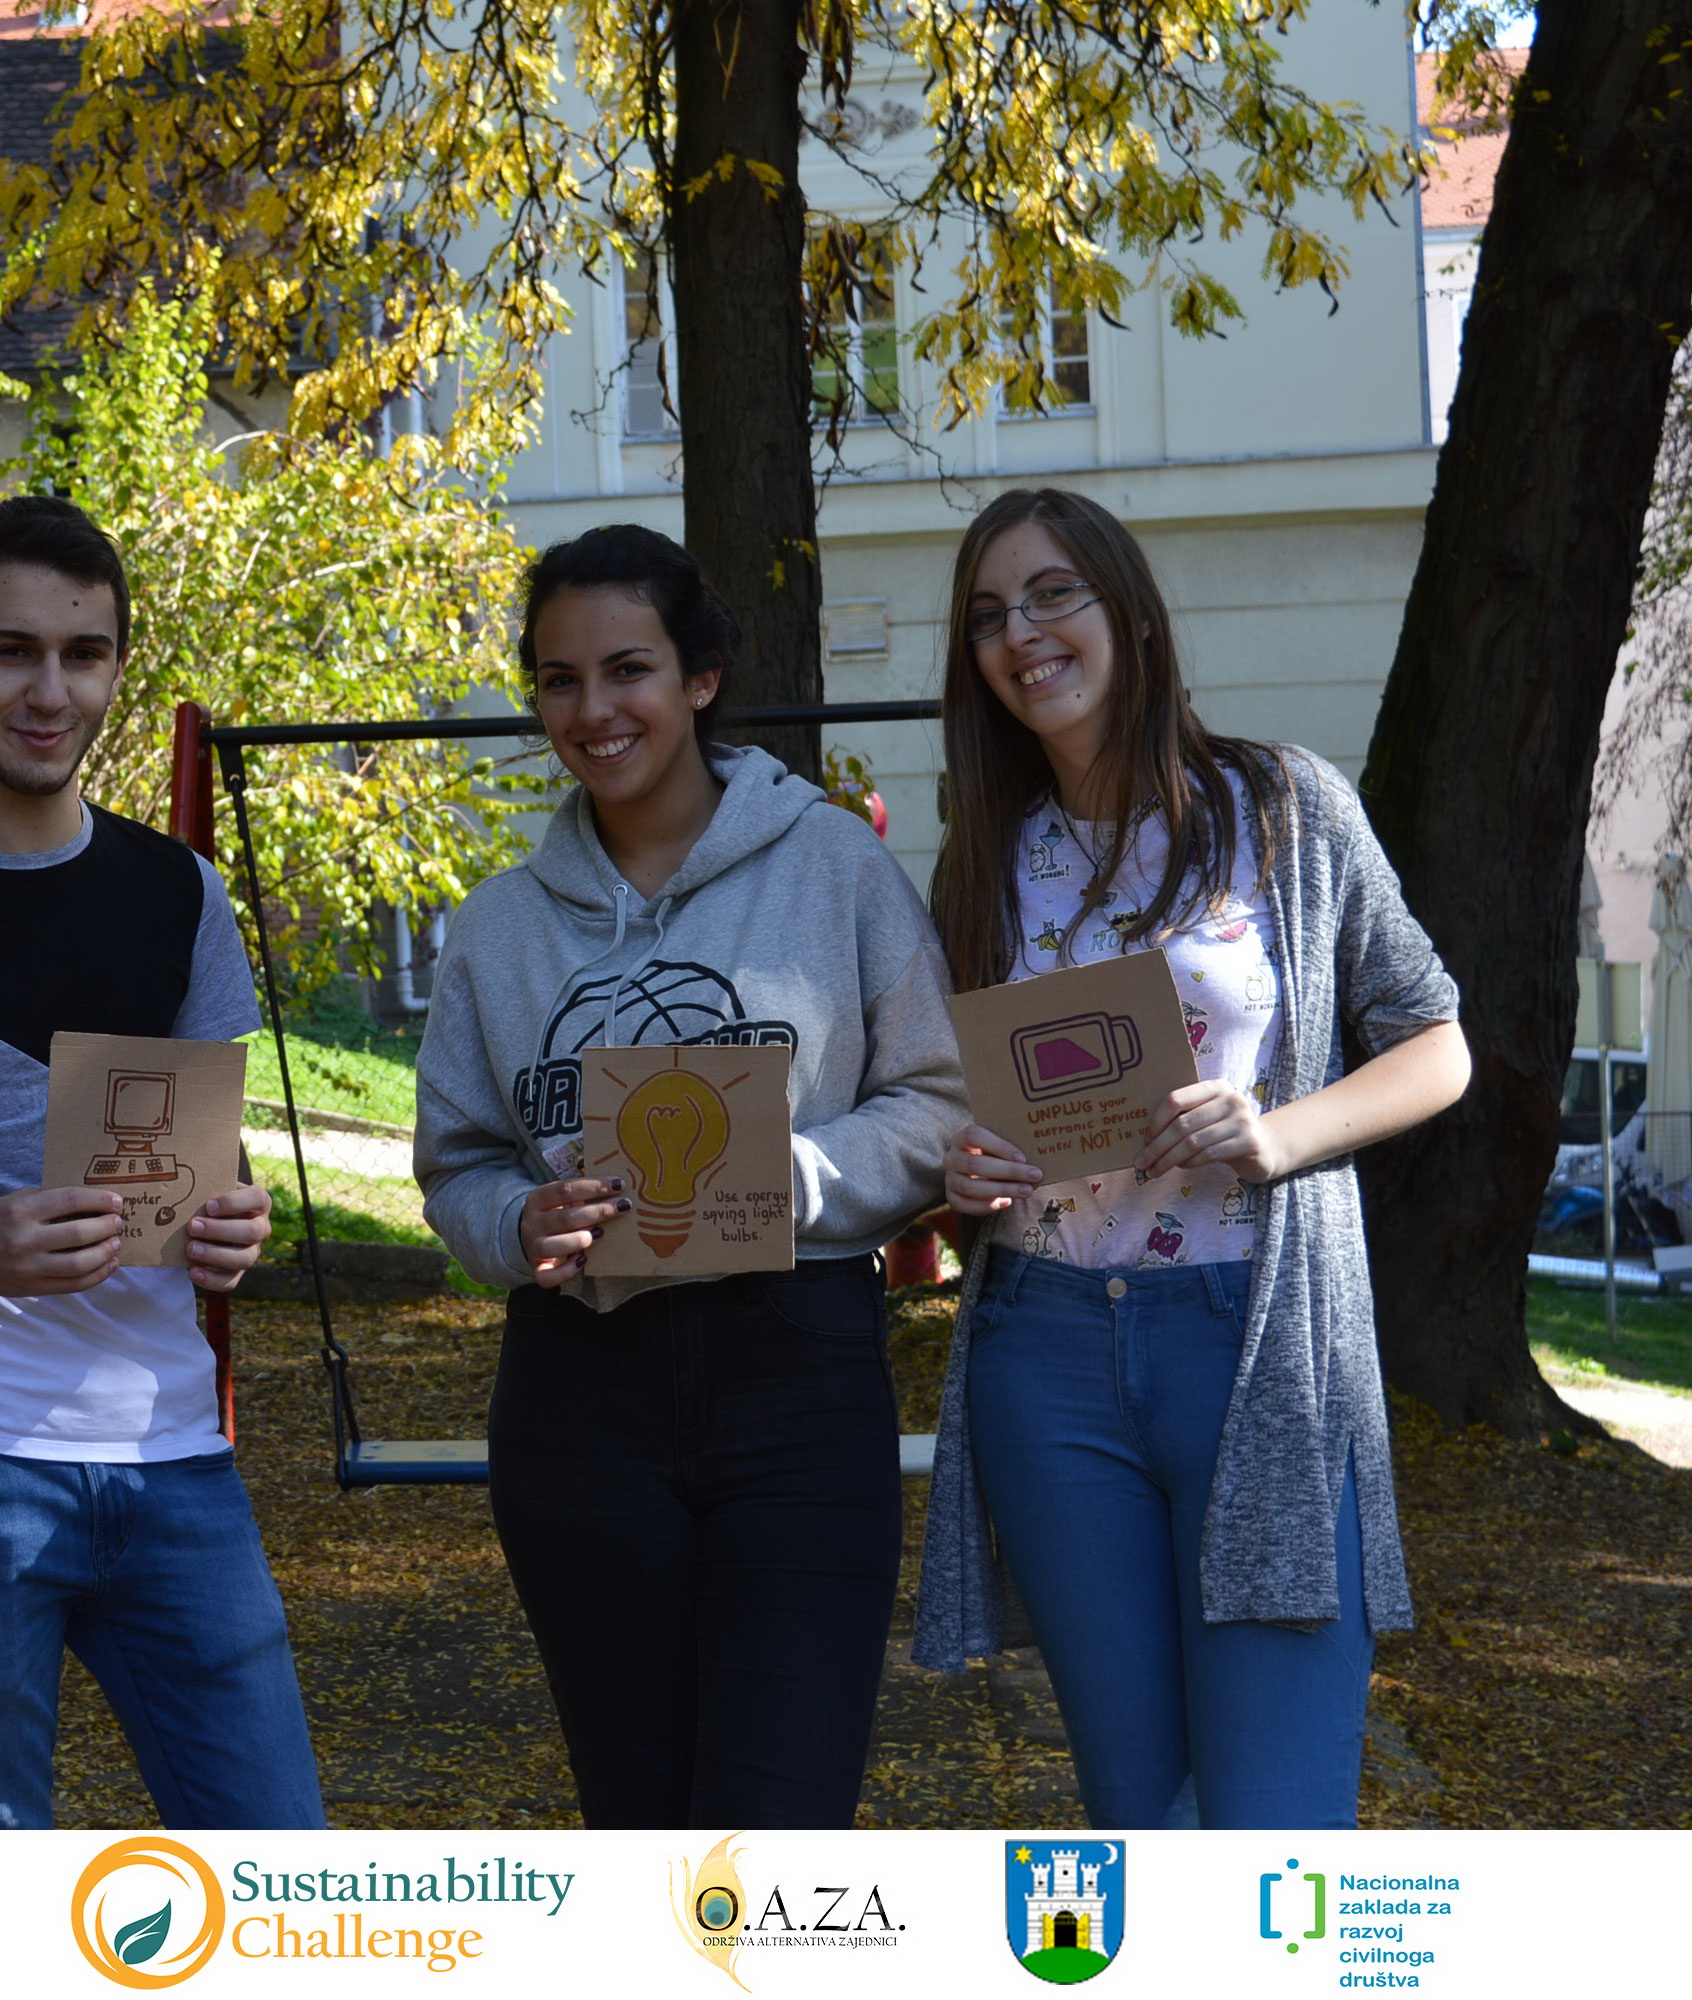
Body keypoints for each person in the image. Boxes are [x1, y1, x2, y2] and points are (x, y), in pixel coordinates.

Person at [913, 486, 1472, 1829]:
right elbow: (953, 1104)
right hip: (1043, 1352)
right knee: (1136, 1817)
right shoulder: (984, 859)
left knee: (1276, 1824)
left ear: (1133, 615)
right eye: (989, 615)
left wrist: (1277, 1135)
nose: (1021, 633)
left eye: (1054, 594)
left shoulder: (1282, 809)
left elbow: (1438, 1044)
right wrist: (959, 1168)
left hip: (1254, 1343)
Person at [411, 524, 968, 1828]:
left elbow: (938, 1100)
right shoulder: (500, 927)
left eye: (629, 670)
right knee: (640, 1821)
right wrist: (519, 1220)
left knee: (779, 1820)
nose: (593, 711)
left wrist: (795, 1178)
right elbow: (456, 1167)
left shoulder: (834, 867)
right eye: (559, 680)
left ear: (700, 677)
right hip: (579, 1398)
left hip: (795, 1382)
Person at [0, 493, 324, 1831]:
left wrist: (235, 1225)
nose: (50, 692)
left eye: (83, 655)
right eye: (12, 651)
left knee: (284, 1874)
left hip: (175, 1455)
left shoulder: (180, 893)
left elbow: (213, 1170)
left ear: (116, 669)